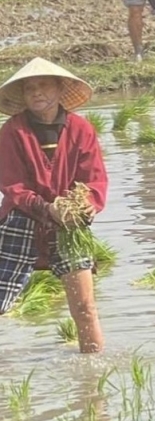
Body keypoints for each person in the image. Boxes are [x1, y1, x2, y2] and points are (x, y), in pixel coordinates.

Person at [0, 58, 106, 354]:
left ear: (60, 89)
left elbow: (94, 179)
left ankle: (92, 381)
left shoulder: (81, 129)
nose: (36, 93)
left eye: (43, 85)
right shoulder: (12, 131)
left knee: (85, 308)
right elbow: (13, 185)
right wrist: (48, 209)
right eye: (29, 88)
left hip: (70, 224)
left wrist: (84, 206)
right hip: (22, 219)